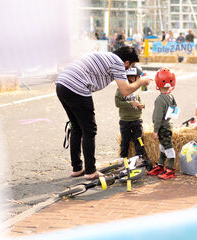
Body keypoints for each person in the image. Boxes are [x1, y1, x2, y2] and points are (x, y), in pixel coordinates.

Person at [55, 46, 151, 180]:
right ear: (127, 62)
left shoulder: (106, 56)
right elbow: (125, 90)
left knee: (77, 127)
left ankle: (77, 168)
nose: (129, 69)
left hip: (62, 84)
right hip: (77, 87)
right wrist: (141, 81)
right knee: (90, 129)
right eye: (131, 65)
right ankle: (90, 171)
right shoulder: (118, 62)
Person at [147, 68, 178, 179]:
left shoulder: (160, 99)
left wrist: (155, 130)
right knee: (163, 146)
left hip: (162, 127)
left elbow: (157, 116)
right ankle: (160, 165)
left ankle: (170, 169)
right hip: (168, 125)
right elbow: (175, 109)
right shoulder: (171, 96)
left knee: (168, 148)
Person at [115, 65, 149, 159]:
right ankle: (123, 159)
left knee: (139, 139)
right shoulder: (120, 90)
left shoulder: (136, 90)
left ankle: (140, 157)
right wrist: (131, 103)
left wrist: (141, 105)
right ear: (130, 77)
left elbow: (139, 101)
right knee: (125, 140)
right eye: (138, 77)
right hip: (125, 120)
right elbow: (118, 103)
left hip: (137, 119)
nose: (139, 79)